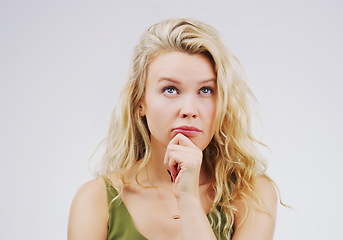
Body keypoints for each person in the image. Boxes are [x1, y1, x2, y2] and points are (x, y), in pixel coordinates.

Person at [68, 18, 278, 240]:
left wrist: (187, 198)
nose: (189, 110)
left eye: (206, 90)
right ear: (140, 102)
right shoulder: (95, 200)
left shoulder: (251, 194)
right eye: (170, 89)